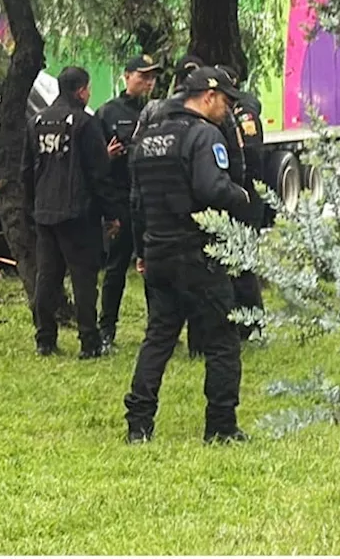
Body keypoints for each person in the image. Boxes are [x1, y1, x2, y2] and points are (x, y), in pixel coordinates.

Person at [124, 67, 262, 444]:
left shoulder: (149, 138)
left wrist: (141, 250)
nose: (230, 109)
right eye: (227, 101)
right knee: (222, 340)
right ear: (208, 96)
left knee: (158, 339)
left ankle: (138, 424)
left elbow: (136, 202)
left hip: (158, 254)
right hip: (197, 254)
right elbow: (211, 187)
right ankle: (221, 426)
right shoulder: (203, 136)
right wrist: (242, 197)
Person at [24, 66, 123, 358]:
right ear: (81, 90)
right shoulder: (84, 122)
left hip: (45, 212)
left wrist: (33, 207)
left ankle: (45, 339)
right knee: (83, 279)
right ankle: (89, 342)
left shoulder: (37, 121)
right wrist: (112, 213)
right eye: (88, 89)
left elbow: (26, 171)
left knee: (47, 277)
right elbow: (98, 174)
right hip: (78, 213)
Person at [95, 54, 162, 350]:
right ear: (126, 77)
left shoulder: (161, 111)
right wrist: (106, 158)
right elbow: (93, 163)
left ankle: (158, 329)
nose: (148, 82)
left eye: (152, 77)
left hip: (151, 200)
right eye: (142, 76)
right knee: (116, 269)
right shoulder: (108, 113)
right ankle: (106, 329)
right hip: (121, 199)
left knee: (155, 267)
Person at [217, 65, 267, 341]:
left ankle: (254, 323)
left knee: (243, 265)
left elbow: (250, 159)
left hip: (246, 199)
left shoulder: (243, 114)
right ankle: (239, 321)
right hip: (234, 198)